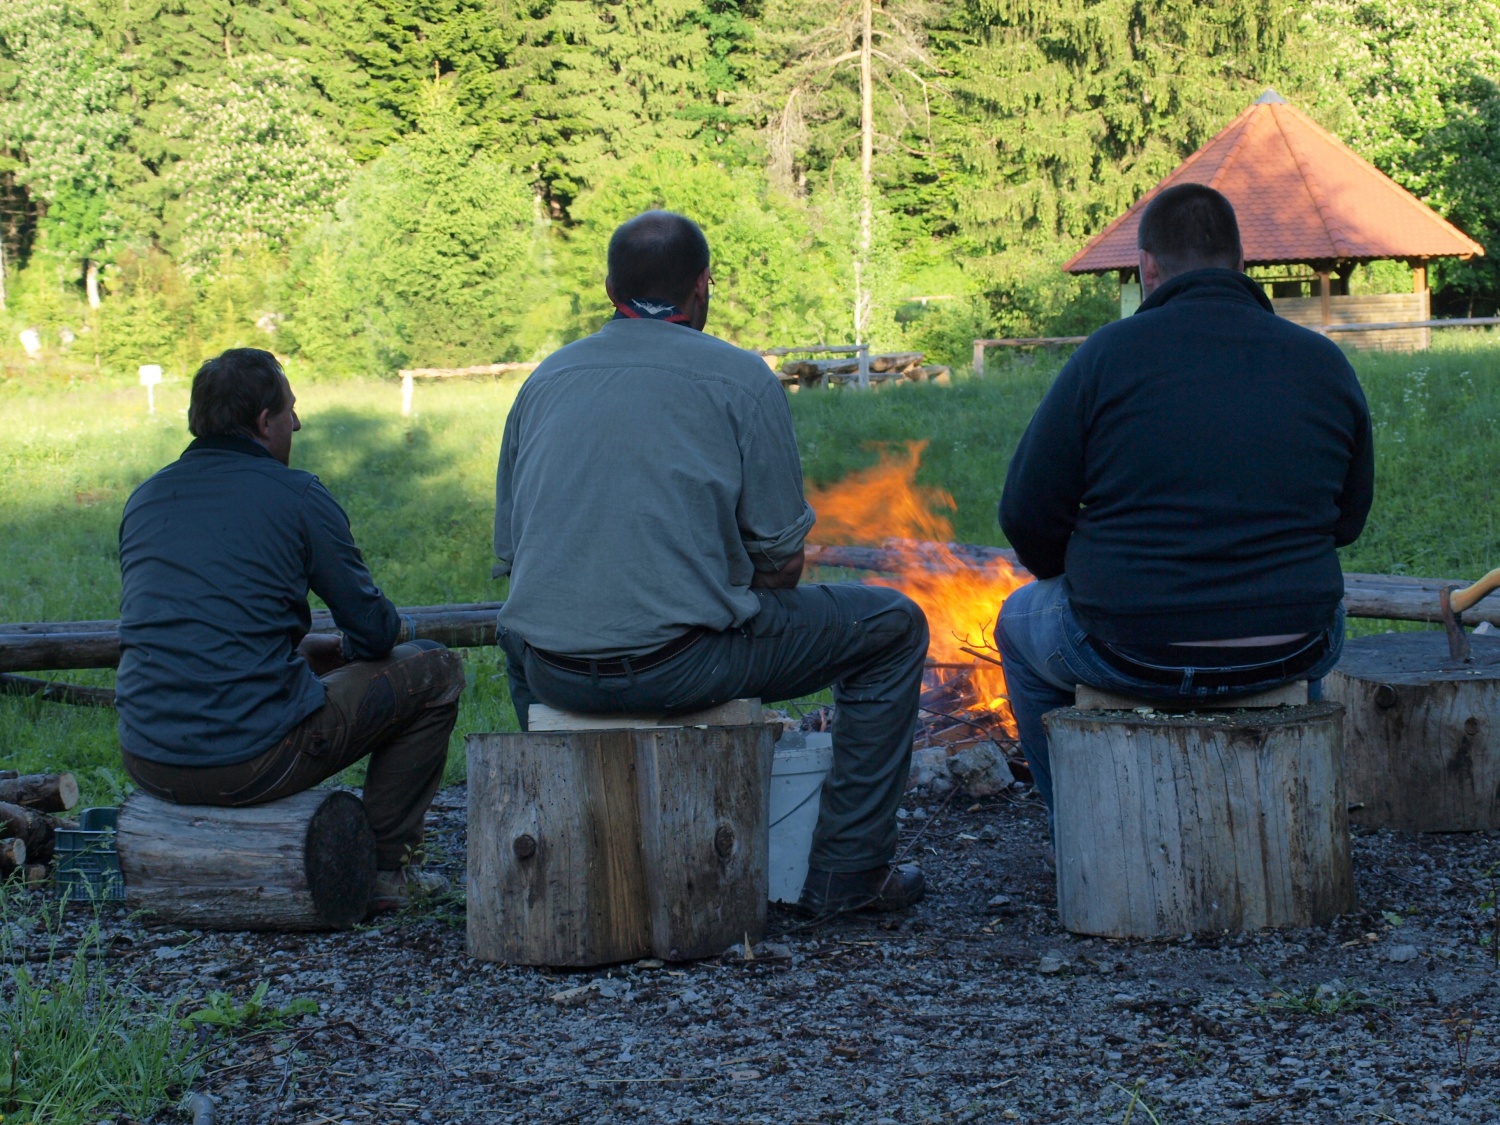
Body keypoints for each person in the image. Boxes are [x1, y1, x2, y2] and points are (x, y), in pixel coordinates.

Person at [492, 211, 930, 917]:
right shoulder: (740, 377)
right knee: (894, 626)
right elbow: (782, 564)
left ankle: (562, 840)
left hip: (553, 670)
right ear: (702, 287)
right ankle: (848, 873)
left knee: (516, 632)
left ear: (609, 289)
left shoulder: (544, 380)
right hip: (683, 663)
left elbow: (516, 557)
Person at [995, 183, 1374, 824]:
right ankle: (1282, 820)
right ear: (1243, 262)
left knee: (1015, 622)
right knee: (1314, 618)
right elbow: (1349, 519)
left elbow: (1026, 512)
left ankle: (1077, 834)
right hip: (1294, 643)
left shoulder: (1106, 355)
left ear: (1148, 267)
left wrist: (1076, 572)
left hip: (1126, 645)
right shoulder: (1323, 361)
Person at [116, 348, 466, 910]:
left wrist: (296, 652)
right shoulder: (297, 494)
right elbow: (375, 635)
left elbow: (194, 623)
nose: (297, 424)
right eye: (290, 410)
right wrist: (368, 642)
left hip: (146, 756)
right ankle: (386, 870)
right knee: (435, 668)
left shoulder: (146, 496)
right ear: (264, 421)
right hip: (251, 760)